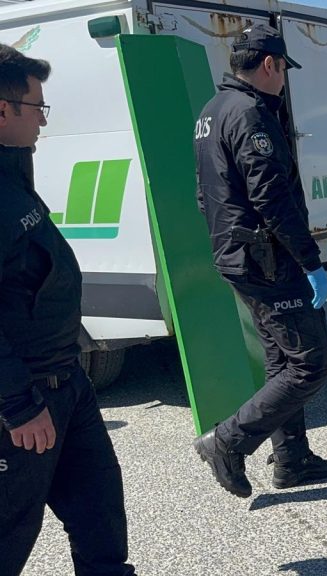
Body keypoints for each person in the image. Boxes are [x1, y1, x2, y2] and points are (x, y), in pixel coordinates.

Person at [0, 44, 136, 576]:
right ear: (3, 109)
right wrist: (17, 404)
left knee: (100, 517)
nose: (43, 120)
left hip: (67, 382)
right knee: (10, 534)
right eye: (37, 107)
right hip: (24, 400)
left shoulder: (13, 173)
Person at [191, 24, 327, 498]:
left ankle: (291, 460)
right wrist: (310, 261)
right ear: (270, 64)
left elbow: (204, 194)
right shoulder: (250, 113)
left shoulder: (213, 110)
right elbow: (272, 198)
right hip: (266, 259)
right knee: (310, 363)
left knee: (281, 359)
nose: (283, 82)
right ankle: (226, 441)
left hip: (238, 254)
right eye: (283, 71)